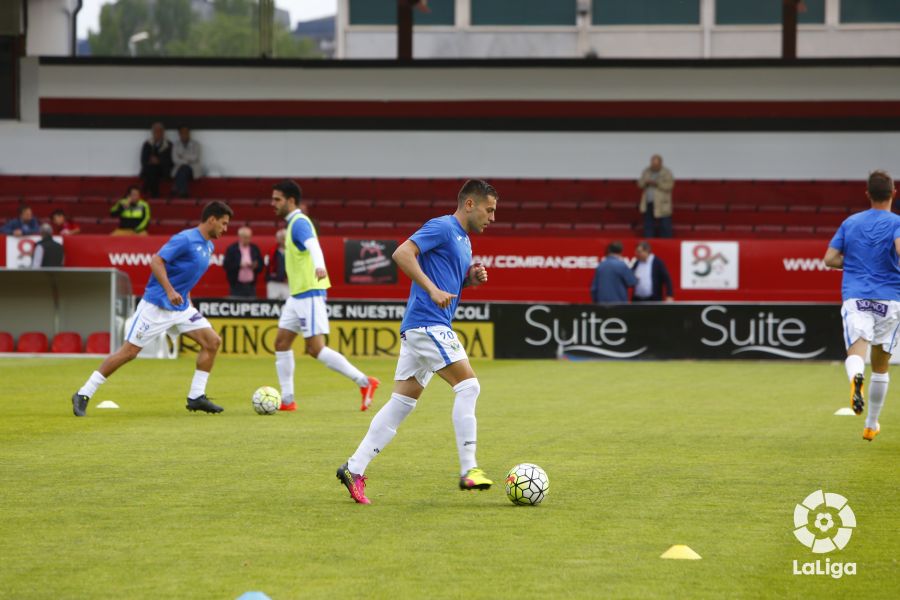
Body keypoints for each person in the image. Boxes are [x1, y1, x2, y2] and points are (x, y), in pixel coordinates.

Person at [337, 179, 497, 505]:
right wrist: (431, 289)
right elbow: (402, 253)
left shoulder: (464, 241)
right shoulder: (441, 226)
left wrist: (471, 280)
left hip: (424, 326)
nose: (492, 217)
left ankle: (354, 467)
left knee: (401, 404)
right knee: (469, 387)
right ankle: (470, 469)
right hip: (428, 323)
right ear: (470, 204)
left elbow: (450, 280)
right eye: (489, 209)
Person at [71, 201, 233, 417]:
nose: (225, 229)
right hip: (156, 306)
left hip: (182, 308)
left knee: (212, 342)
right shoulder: (184, 239)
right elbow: (156, 261)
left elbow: (186, 278)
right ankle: (83, 393)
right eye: (223, 223)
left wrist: (187, 301)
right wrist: (169, 291)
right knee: (129, 353)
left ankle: (196, 397)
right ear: (211, 219)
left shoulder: (208, 246)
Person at [269, 180, 379, 414]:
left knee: (315, 348)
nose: (273, 204)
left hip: (309, 293)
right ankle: (287, 400)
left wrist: (319, 267)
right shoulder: (292, 224)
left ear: (291, 201)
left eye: (277, 199)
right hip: (296, 295)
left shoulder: (299, 223)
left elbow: (314, 246)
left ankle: (365, 382)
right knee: (281, 343)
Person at [824, 170, 900, 442]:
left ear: (867, 194)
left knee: (857, 347)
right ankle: (871, 423)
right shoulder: (896, 223)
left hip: (857, 296)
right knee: (881, 366)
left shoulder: (850, 222)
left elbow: (830, 259)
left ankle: (856, 376)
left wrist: (855, 262)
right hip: (889, 299)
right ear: (893, 193)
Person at [637, 154, 675, 238]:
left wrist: (656, 183)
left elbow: (669, 186)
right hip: (648, 202)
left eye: (656, 164)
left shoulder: (666, 173)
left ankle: (666, 243)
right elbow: (639, 184)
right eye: (652, 164)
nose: (654, 166)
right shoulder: (646, 171)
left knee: (665, 225)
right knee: (648, 224)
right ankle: (648, 242)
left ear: (661, 163)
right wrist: (645, 182)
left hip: (662, 203)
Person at [223, 226, 264, 297]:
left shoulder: (254, 248)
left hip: (251, 285)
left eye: (249, 237)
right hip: (236, 285)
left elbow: (261, 264)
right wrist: (239, 265)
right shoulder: (232, 249)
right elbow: (226, 265)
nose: (247, 240)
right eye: (245, 237)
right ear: (239, 237)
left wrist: (255, 266)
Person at [140, 122, 173, 197]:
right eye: (156, 131)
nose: (158, 133)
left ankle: (146, 186)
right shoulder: (147, 144)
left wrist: (159, 161)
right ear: (152, 133)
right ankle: (155, 194)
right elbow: (143, 160)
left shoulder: (169, 145)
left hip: (163, 170)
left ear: (163, 133)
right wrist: (150, 161)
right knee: (152, 170)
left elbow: (171, 161)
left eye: (160, 131)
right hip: (149, 170)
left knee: (153, 171)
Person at [171, 125, 202, 198]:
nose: (184, 134)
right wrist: (187, 160)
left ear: (189, 133)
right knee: (183, 169)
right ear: (179, 134)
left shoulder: (195, 144)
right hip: (180, 168)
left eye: (186, 132)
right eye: (182, 133)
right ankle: (183, 192)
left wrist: (182, 156)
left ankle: (176, 187)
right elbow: (175, 159)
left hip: (192, 170)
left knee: (184, 169)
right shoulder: (176, 145)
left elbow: (195, 157)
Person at [265, 229, 289, 300]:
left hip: (288, 283)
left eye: (284, 238)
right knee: (272, 304)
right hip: (274, 283)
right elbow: (267, 266)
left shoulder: (293, 252)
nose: (283, 240)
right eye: (281, 238)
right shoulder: (271, 252)